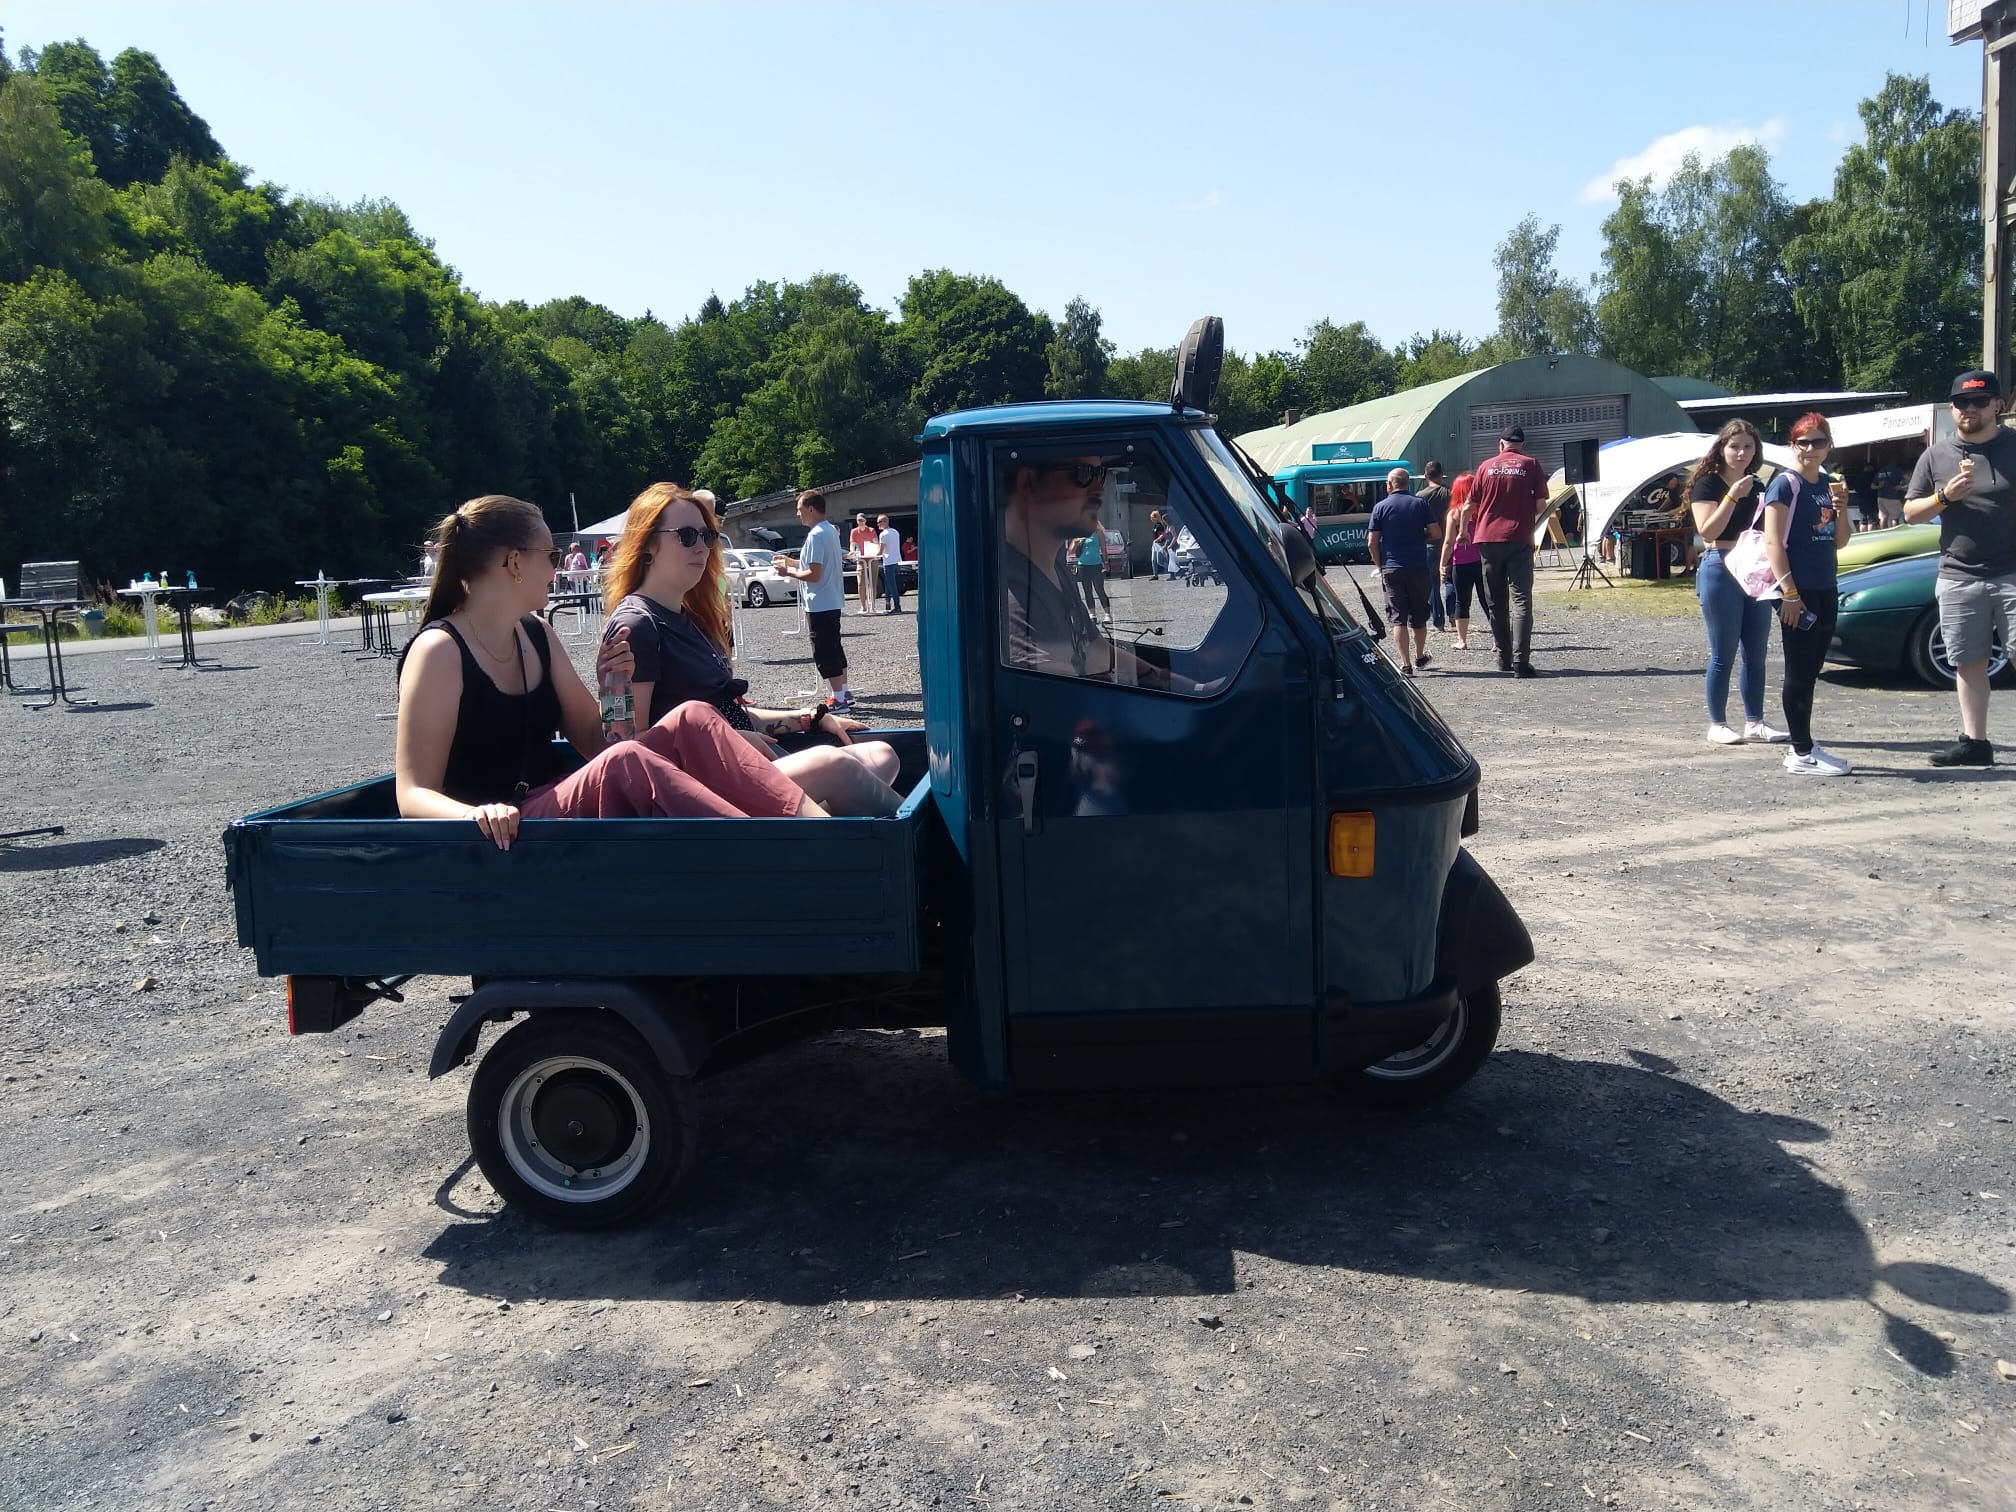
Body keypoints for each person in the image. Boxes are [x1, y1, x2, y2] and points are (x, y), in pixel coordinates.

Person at [394, 495, 826, 849]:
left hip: (550, 804)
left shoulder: (536, 634)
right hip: (507, 829)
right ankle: (768, 851)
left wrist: (613, 691)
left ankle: (819, 829)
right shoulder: (439, 651)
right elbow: (411, 794)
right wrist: (476, 814)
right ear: (515, 563)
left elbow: (597, 744)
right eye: (551, 555)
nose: (558, 569)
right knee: (628, 760)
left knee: (694, 715)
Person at [601, 483, 903, 815]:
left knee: (881, 756)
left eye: (708, 536)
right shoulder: (636, 625)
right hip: (701, 787)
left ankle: (814, 824)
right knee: (837, 767)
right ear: (647, 543)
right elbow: (626, 747)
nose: (702, 547)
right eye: (686, 536)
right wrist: (722, 744)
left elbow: (731, 714)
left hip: (742, 766)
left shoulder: (690, 619)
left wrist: (811, 718)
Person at [1904, 368, 2016, 766]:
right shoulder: (1937, 455)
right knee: (1969, 662)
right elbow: (1910, 513)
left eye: (1979, 401)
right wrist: (1944, 497)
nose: (1969, 409)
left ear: (1997, 405)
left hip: (2012, 573)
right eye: (1961, 402)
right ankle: (1975, 743)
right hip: (1958, 575)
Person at [1761, 414, 1854, 777]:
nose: (1811, 449)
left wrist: (1841, 508)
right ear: (1793, 445)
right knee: (1799, 670)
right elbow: (1773, 542)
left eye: (1818, 442)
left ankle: (1803, 744)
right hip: (1796, 589)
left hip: (1825, 584)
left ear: (1829, 446)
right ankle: (1801, 751)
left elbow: (1840, 540)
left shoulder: (1829, 484)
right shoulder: (1785, 484)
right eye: (1804, 442)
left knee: (1813, 667)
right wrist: (1789, 592)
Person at [1686, 419, 1786, 747]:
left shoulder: (1757, 484)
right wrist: (1731, 496)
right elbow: (1708, 532)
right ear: (1721, 448)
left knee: (1756, 652)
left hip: (1754, 568)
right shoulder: (1707, 484)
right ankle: (1717, 723)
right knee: (1723, 652)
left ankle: (1755, 721)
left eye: (1747, 447)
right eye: (1734, 446)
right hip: (1720, 565)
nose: (1741, 453)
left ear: (1756, 450)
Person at [1470, 425, 1548, 676]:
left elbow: (1471, 504)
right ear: (1522, 445)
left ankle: (1503, 658)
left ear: (1501, 444)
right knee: (1521, 600)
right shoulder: (1531, 465)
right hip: (1519, 538)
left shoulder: (1485, 466)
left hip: (1488, 539)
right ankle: (1521, 663)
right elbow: (1540, 506)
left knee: (1496, 602)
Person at [773, 490, 854, 710]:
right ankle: (843, 692)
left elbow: (814, 574)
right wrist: (790, 562)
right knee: (835, 647)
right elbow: (815, 565)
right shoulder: (829, 531)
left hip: (819, 602)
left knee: (825, 651)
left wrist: (787, 572)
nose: (797, 513)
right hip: (831, 599)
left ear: (810, 509)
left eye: (799, 509)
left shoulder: (816, 535)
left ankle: (838, 698)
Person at [1366, 467, 1442, 675]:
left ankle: (1405, 663)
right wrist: (1420, 536)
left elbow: (1372, 542)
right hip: (1417, 566)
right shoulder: (1420, 504)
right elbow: (1436, 533)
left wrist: (1379, 565)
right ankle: (1419, 656)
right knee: (1419, 614)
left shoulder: (1380, 507)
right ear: (1408, 483)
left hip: (1391, 567)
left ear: (1389, 485)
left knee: (1398, 617)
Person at [1438, 470, 1484, 651]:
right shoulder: (1483, 510)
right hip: (1483, 561)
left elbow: (1449, 542)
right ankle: (1498, 641)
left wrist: (1442, 564)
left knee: (1462, 602)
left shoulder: (1454, 514)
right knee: (1488, 600)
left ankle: (1462, 640)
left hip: (1461, 562)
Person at [1417, 461, 1451, 630]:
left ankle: (1438, 621)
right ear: (1441, 474)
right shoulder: (1450, 493)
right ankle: (1455, 615)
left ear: (1426, 476)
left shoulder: (1420, 496)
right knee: (1451, 581)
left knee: (1433, 584)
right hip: (1449, 542)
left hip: (1429, 543)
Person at [1073, 528, 1111, 622]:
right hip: (1083, 565)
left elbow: (1103, 548)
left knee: (1100, 589)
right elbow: (1072, 550)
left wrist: (1106, 562)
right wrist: (1076, 542)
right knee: (1087, 591)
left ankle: (1107, 614)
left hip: (1096, 564)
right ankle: (1092, 614)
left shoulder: (1098, 532)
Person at [849, 513, 879, 615]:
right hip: (861, 560)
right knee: (861, 583)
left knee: (873, 583)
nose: (860, 522)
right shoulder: (854, 531)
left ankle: (873, 605)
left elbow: (876, 542)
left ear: (865, 521)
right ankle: (863, 606)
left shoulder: (871, 530)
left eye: (862, 520)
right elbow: (852, 544)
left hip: (872, 559)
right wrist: (853, 552)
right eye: (858, 520)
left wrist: (876, 552)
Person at [878, 514, 904, 612]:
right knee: (888, 582)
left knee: (892, 585)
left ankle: (897, 607)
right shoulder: (895, 532)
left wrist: (874, 554)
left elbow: (881, 551)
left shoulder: (883, 535)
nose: (878, 524)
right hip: (896, 561)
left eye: (879, 522)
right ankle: (887, 601)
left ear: (885, 522)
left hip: (888, 562)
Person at [1874, 461, 1907, 528]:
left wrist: (1879, 486)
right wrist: (1902, 486)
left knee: (1883, 517)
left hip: (1880, 497)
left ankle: (1883, 531)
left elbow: (1872, 485)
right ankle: (1895, 532)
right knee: (1895, 518)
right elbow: (1907, 478)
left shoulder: (1881, 471)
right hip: (1893, 497)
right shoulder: (1897, 470)